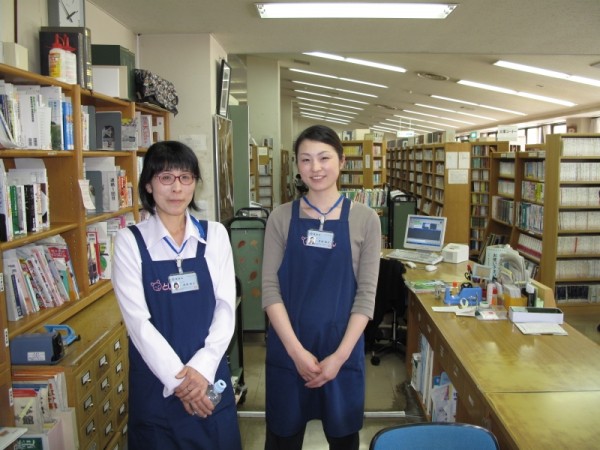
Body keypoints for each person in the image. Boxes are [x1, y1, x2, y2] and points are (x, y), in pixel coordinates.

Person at [112, 140, 241, 450]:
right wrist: (183, 381)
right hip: (158, 383)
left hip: (211, 377)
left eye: (186, 178)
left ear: (195, 183)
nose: (176, 188)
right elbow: (138, 323)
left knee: (217, 428)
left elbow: (226, 306)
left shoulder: (215, 235)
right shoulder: (130, 242)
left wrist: (202, 368)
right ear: (148, 184)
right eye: (166, 177)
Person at [261, 125, 381, 450]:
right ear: (297, 166)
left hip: (341, 353)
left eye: (324, 158)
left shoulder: (366, 219)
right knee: (282, 439)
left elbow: (366, 296)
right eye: (306, 160)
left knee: (343, 440)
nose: (315, 168)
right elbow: (270, 289)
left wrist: (339, 358)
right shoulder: (280, 218)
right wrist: (297, 352)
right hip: (290, 351)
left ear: (341, 161)